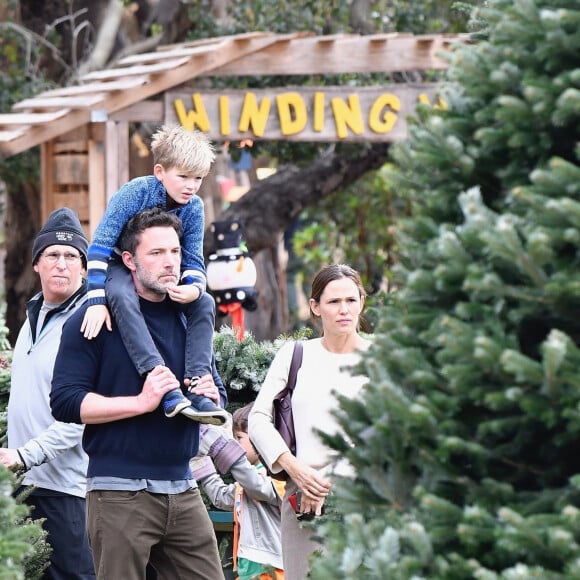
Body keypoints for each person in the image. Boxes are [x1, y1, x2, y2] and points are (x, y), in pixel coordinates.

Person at [50, 208, 225, 579]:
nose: (170, 263)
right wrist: (140, 402)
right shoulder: (93, 319)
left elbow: (214, 387)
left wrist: (212, 393)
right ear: (128, 260)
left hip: (183, 486)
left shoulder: (189, 316)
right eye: (156, 253)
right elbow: (65, 401)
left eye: (175, 252)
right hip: (119, 492)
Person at [80, 124, 227, 425]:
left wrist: (194, 288)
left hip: (162, 269)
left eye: (198, 178)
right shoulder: (135, 192)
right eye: (183, 176)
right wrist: (95, 300)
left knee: (205, 303)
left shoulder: (194, 207)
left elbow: (194, 261)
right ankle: (160, 379)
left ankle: (198, 385)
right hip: (118, 263)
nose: (191, 185)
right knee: (121, 294)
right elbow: (99, 246)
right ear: (160, 171)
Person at [248, 264, 372, 580]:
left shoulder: (380, 358)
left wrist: (323, 479)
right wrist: (296, 469)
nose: (344, 310)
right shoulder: (295, 355)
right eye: (333, 302)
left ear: (362, 302)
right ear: (315, 307)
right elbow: (259, 418)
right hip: (304, 501)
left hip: (367, 497)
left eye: (351, 300)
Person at [0, 208, 95, 579]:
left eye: (72, 257)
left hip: (67, 489)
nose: (62, 264)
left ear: (85, 268)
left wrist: (25, 454)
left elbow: (82, 416)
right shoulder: (32, 318)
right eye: (53, 255)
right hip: (25, 484)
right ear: (37, 264)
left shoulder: (89, 323)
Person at [191, 404, 284, 580]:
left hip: (272, 569)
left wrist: (223, 447)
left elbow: (257, 486)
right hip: (247, 566)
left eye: (239, 437)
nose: (235, 443)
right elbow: (222, 497)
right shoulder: (249, 477)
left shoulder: (278, 477)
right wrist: (200, 460)